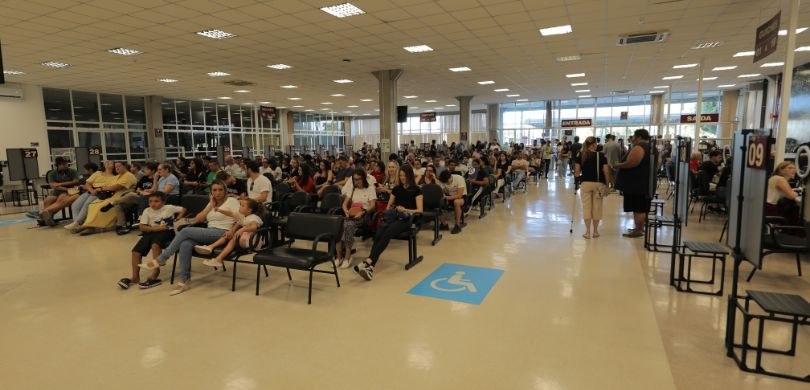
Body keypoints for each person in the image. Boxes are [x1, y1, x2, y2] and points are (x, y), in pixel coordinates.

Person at [139, 180, 241, 295]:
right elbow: (199, 219)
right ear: (211, 192)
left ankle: (162, 258)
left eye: (220, 190)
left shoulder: (232, 201)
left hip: (223, 233)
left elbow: (240, 218)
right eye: (214, 190)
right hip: (209, 231)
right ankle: (184, 279)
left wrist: (233, 230)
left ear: (225, 190)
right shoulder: (212, 202)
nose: (217, 193)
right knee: (185, 244)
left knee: (185, 231)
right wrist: (210, 206)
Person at [354, 165, 423, 281]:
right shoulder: (397, 189)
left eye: (404, 176)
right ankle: (370, 265)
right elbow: (388, 206)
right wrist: (393, 209)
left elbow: (420, 210)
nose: (402, 178)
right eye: (400, 175)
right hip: (394, 216)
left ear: (410, 176)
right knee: (380, 231)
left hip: (407, 219)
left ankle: (369, 262)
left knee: (388, 231)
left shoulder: (416, 190)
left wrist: (405, 210)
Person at [117, 191, 186, 290]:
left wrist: (178, 217)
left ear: (163, 202)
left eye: (156, 201)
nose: (153, 204)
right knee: (136, 252)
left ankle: (155, 273)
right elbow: (142, 227)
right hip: (152, 232)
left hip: (167, 233)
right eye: (151, 201)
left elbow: (183, 209)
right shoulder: (147, 211)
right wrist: (157, 229)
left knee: (155, 245)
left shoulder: (169, 207)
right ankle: (135, 277)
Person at [195, 198, 266, 268]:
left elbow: (254, 227)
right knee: (228, 235)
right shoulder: (242, 216)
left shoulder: (253, 217)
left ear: (249, 210)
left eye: (242, 206)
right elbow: (231, 213)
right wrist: (219, 210)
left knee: (233, 239)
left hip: (251, 240)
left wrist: (242, 229)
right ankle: (210, 247)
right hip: (244, 238)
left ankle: (218, 259)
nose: (239, 207)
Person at [76, 161, 138, 235]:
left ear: (124, 166)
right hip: (113, 196)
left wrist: (101, 189)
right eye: (116, 167)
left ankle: (89, 226)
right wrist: (99, 188)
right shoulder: (119, 175)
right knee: (92, 205)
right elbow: (109, 184)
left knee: (101, 207)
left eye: (119, 166)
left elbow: (116, 187)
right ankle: (89, 226)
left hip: (122, 197)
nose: (117, 168)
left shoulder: (128, 175)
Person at [614, 129, 654, 238]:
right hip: (643, 183)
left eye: (634, 136)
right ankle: (639, 228)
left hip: (636, 184)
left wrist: (618, 165)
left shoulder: (639, 147)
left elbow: (632, 162)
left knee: (638, 208)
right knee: (641, 207)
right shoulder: (651, 147)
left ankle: (638, 230)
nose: (632, 138)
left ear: (639, 137)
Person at [335, 169, 377, 268]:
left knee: (348, 225)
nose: (356, 182)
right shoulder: (353, 189)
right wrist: (345, 210)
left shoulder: (370, 188)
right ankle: (339, 256)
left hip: (364, 215)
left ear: (363, 179)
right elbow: (344, 204)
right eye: (354, 179)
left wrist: (363, 212)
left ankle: (347, 257)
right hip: (352, 214)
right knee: (338, 226)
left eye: (359, 179)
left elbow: (372, 206)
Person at [574, 137, 613, 239]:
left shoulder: (581, 154)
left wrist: (578, 180)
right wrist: (608, 185)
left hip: (586, 183)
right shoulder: (601, 155)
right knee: (597, 207)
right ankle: (595, 231)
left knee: (586, 207)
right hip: (598, 184)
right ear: (595, 144)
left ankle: (587, 232)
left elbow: (577, 171)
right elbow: (606, 171)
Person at [65, 161, 119, 231]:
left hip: (101, 192)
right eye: (107, 162)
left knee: (87, 204)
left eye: (111, 163)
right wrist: (92, 190)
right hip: (90, 191)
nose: (108, 163)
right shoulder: (98, 173)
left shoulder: (115, 177)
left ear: (114, 166)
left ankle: (77, 223)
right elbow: (88, 183)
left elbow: (111, 188)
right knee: (75, 205)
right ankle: (77, 223)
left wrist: (97, 190)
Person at [28, 157, 80, 225]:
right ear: (58, 165)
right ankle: (48, 218)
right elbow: (53, 185)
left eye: (66, 163)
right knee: (47, 200)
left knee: (60, 200)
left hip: (69, 191)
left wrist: (60, 184)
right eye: (64, 164)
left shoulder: (73, 171)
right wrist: (63, 187)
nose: (66, 165)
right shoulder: (52, 173)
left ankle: (43, 215)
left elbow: (75, 181)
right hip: (57, 191)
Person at [765, 161, 802, 226]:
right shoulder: (780, 179)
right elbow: (792, 196)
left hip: (768, 207)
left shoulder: (775, 177)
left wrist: (793, 192)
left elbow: (788, 194)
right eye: (790, 168)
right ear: (781, 170)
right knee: (795, 211)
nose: (793, 170)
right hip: (770, 209)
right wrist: (797, 193)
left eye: (794, 168)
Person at [438, 170, 466, 234]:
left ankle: (457, 225)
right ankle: (444, 224)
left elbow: (459, 195)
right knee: (436, 202)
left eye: (447, 182)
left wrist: (447, 198)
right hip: (448, 196)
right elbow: (442, 191)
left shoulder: (459, 178)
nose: (446, 183)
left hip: (462, 197)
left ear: (450, 177)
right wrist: (444, 196)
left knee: (456, 202)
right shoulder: (443, 180)